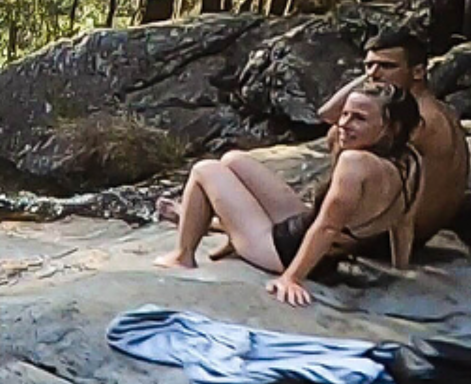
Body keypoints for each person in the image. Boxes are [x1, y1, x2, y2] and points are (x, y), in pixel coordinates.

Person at [155, 81, 423, 306]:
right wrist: (401, 269)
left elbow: (327, 228)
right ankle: (226, 231)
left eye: (359, 118)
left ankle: (183, 256)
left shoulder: (355, 163)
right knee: (234, 159)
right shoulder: (411, 161)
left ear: (392, 128)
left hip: (282, 252)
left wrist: (290, 278)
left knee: (206, 169)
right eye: (345, 114)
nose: (344, 124)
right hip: (307, 234)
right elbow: (403, 222)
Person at [316, 29, 467, 252]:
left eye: (387, 66)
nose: (374, 74)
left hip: (391, 239)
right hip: (419, 231)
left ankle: (333, 224)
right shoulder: (437, 109)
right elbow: (326, 113)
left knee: (341, 136)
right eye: (369, 65)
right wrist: (373, 77)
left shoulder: (420, 119)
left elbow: (331, 117)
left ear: (418, 72)